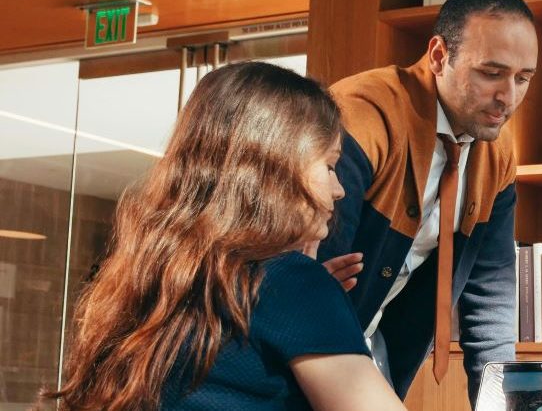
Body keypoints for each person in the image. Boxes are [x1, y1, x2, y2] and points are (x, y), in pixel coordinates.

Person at [44, 62, 405, 410]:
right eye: (328, 165)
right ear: (277, 167)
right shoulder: (293, 285)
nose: (339, 189)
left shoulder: (146, 281)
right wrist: (310, 301)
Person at [315, 0, 537, 404]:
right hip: (313, 344)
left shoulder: (498, 154)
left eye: (522, 78)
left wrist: (501, 402)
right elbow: (317, 266)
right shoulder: (363, 115)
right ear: (438, 56)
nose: (507, 98)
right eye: (491, 73)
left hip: (376, 349)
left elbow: (489, 295)